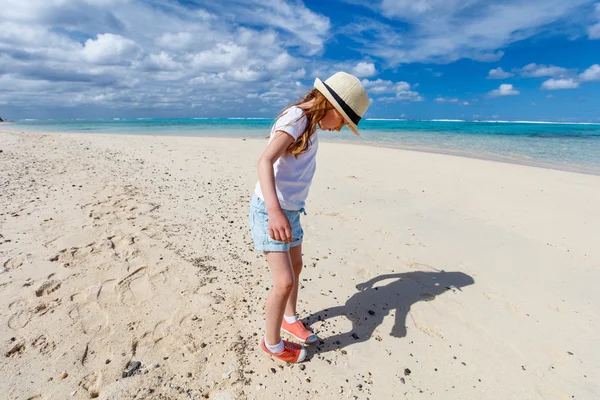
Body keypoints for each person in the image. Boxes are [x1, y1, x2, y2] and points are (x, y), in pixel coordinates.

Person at [248, 72, 370, 363]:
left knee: (297, 265)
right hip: (271, 211)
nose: (340, 129)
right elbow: (264, 161)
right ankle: (272, 344)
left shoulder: (311, 123)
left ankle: (289, 318)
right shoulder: (295, 119)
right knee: (284, 281)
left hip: (290, 210)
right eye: (343, 122)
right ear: (331, 108)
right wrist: (275, 212)